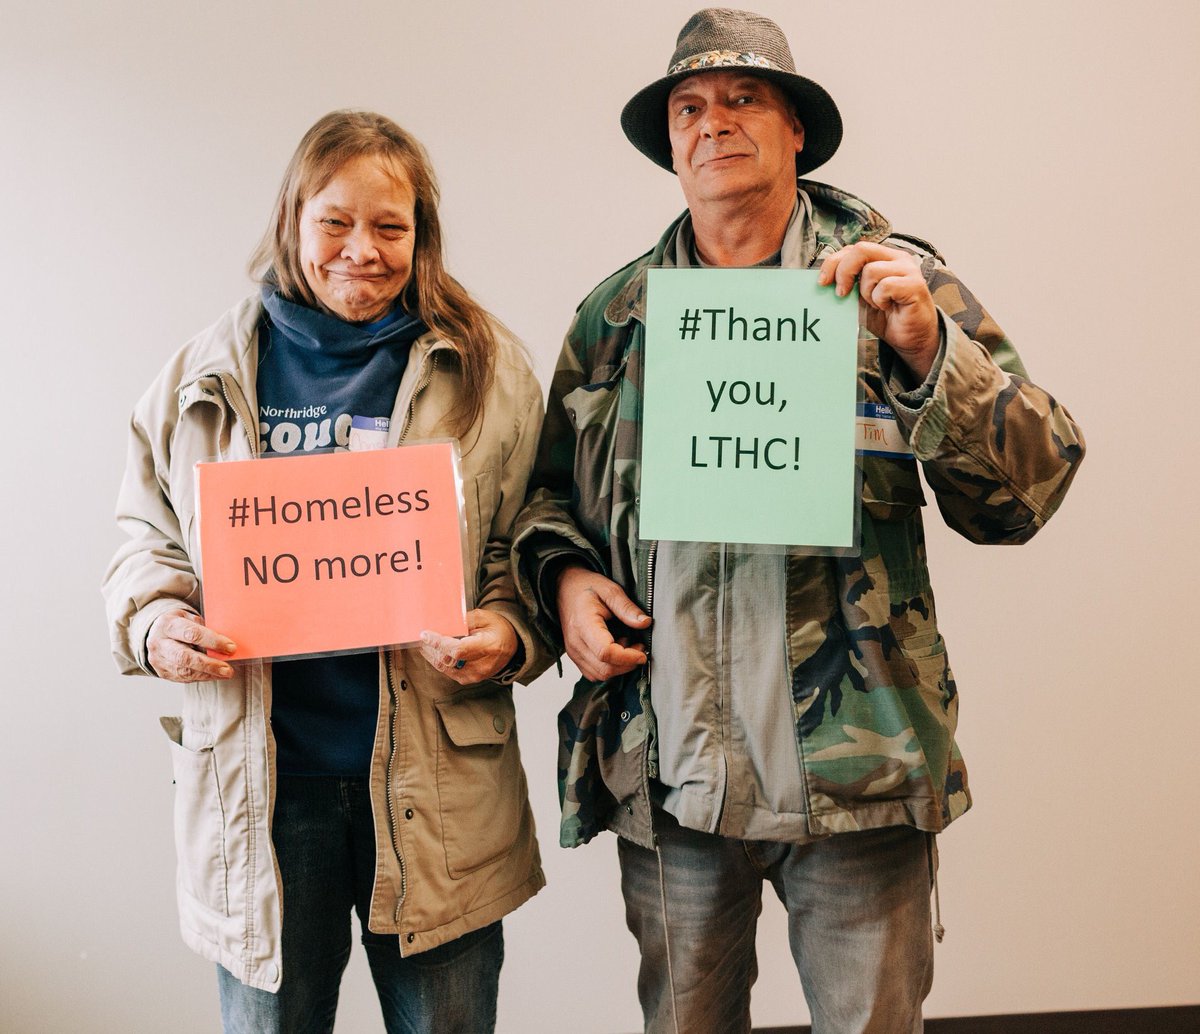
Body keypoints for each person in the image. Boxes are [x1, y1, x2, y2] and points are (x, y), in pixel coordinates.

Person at [510, 9, 1085, 1034]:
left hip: (858, 774)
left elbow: (1028, 490)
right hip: (676, 781)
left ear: (797, 131)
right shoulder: (617, 319)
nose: (714, 122)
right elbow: (546, 501)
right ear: (670, 143)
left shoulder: (892, 285)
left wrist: (927, 350)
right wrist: (563, 580)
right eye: (690, 107)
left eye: (744, 99)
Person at [103, 110, 545, 1034]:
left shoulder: (488, 371)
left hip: (437, 792)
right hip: (263, 794)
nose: (362, 251)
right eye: (335, 222)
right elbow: (145, 539)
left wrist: (509, 629)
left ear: (421, 235)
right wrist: (154, 623)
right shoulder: (199, 376)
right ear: (292, 221)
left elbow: (531, 538)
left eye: (390, 227)